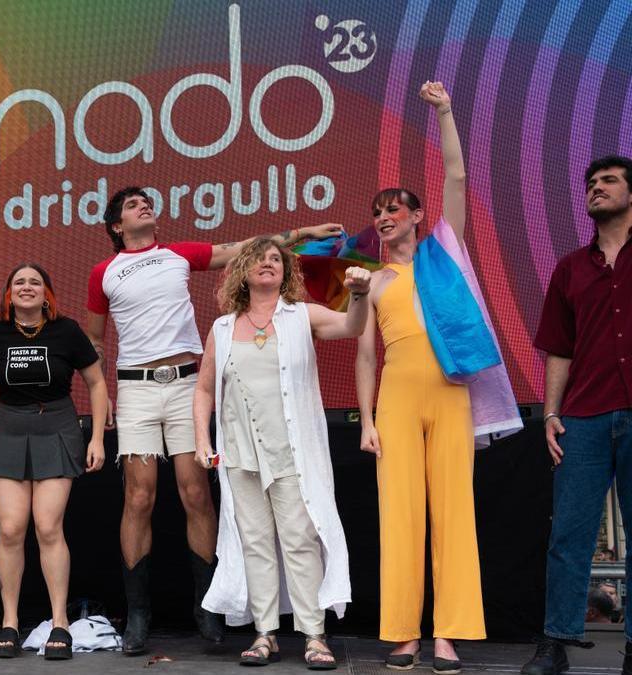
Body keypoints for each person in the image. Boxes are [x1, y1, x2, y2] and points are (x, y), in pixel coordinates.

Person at [86, 185, 343, 654]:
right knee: (138, 496)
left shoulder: (178, 254)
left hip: (185, 380)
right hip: (136, 389)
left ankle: (206, 608)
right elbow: (96, 344)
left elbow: (242, 250)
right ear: (117, 226)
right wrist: (103, 403)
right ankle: (138, 613)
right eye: (132, 204)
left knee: (194, 490)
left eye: (148, 200)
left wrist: (303, 232)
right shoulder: (103, 272)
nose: (145, 204)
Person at [355, 82, 521, 674]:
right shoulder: (371, 279)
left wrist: (445, 112)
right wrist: (367, 420)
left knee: (453, 513)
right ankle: (403, 634)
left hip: (450, 397)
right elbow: (366, 357)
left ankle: (448, 635)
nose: (382, 220)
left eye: (392, 210)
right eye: (376, 214)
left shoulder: (444, 249)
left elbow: (455, 174)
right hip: (397, 402)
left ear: (418, 216)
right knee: (399, 515)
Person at [195, 238, 369, 669]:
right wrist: (203, 439)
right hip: (239, 454)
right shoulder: (222, 327)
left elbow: (352, 326)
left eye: (276, 259)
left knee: (299, 539)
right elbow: (202, 389)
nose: (268, 264)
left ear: (285, 272)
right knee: (254, 542)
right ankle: (264, 633)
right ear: (243, 271)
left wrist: (361, 295)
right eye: (260, 258)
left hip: (291, 451)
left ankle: (314, 635)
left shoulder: (300, 316)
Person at [521, 155, 632, 675]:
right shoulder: (570, 267)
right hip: (583, 417)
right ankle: (555, 644)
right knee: (568, 536)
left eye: (608, 181)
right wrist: (549, 415)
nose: (595, 189)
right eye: (590, 183)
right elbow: (558, 350)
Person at [0, 263, 107, 660]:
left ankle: (59, 623)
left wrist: (96, 437)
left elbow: (96, 383)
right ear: (9, 293)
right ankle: (9, 622)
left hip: (57, 429)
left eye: (35, 282)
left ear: (48, 294)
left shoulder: (68, 331)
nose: (27, 287)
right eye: (19, 282)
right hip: (8, 431)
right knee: (10, 529)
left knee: (48, 527)